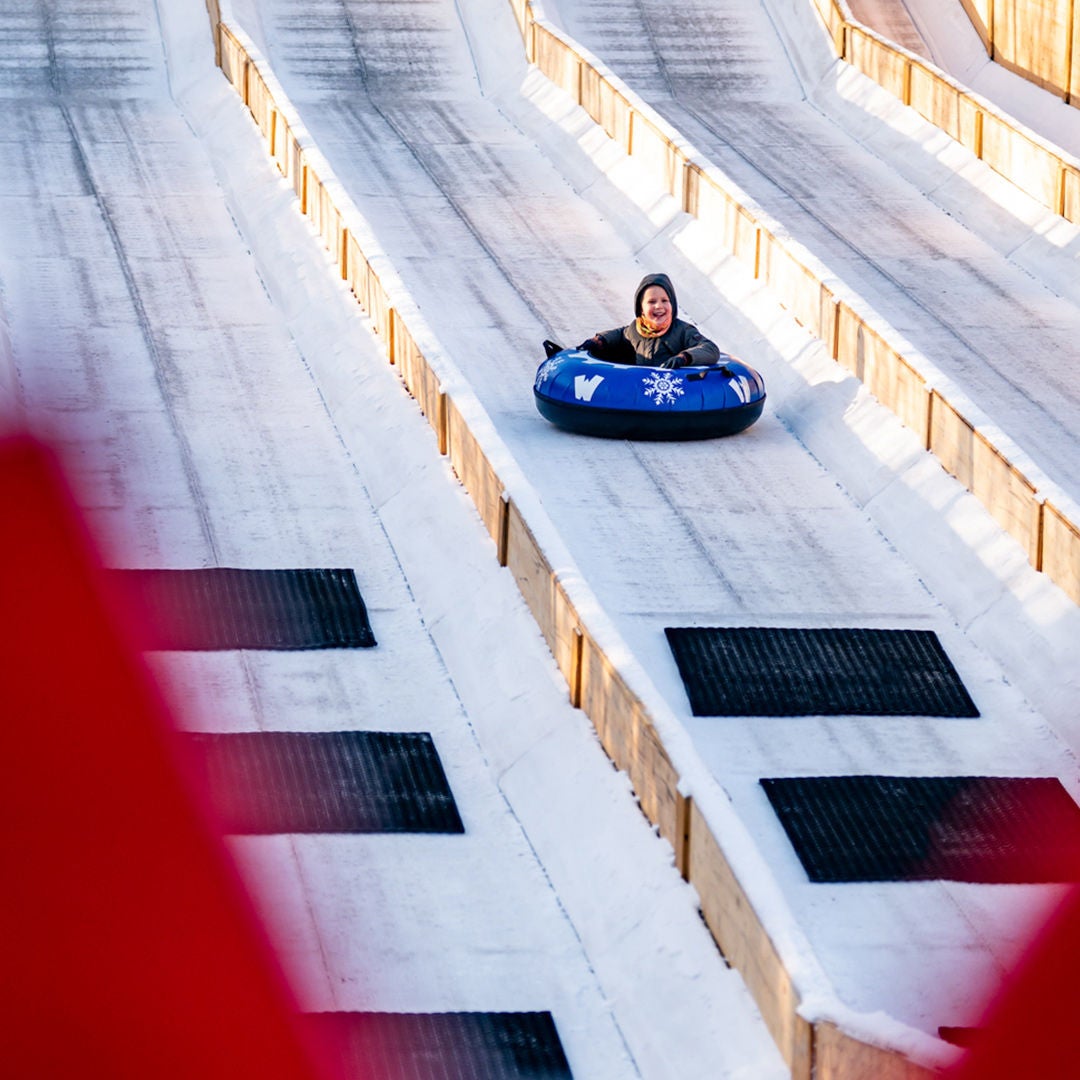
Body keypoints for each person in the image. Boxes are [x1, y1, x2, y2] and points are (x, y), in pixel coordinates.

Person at [569, 273, 722, 369]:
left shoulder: (682, 331)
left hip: (674, 393)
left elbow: (710, 349)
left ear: (672, 305)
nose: (659, 306)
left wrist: (684, 358)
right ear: (641, 308)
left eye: (664, 300)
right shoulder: (635, 329)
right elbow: (620, 334)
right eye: (651, 302)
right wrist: (599, 340)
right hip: (640, 390)